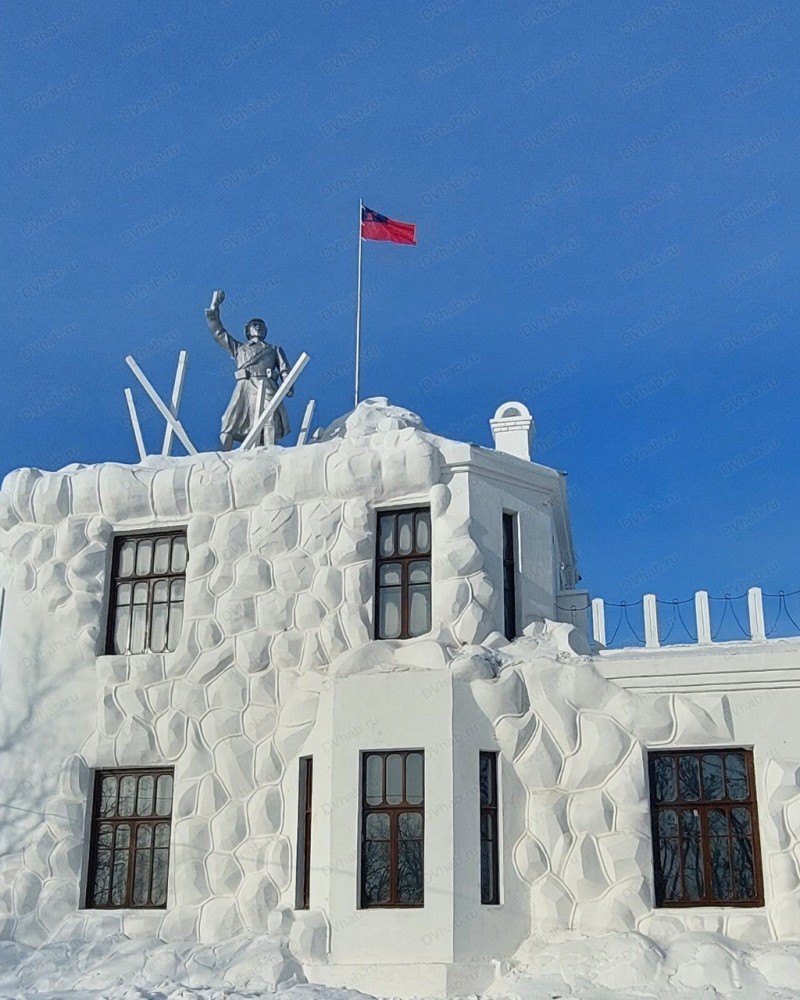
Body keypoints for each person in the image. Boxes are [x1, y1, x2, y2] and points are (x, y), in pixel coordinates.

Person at [205, 289, 293, 450]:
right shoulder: (240, 349)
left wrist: (288, 385)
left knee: (269, 417)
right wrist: (214, 310)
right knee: (229, 420)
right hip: (244, 386)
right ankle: (225, 455)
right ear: (248, 330)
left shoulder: (274, 349)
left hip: (266, 384)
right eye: (254, 325)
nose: (258, 328)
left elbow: (284, 369)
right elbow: (218, 333)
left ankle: (269, 450)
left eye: (261, 326)